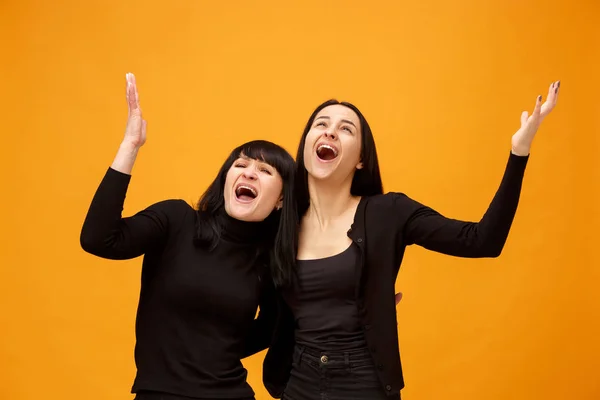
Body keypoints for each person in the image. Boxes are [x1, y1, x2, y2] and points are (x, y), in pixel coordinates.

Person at [261, 81, 561, 399]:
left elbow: (482, 241)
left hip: (365, 386)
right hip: (298, 386)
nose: (330, 132)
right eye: (320, 124)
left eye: (346, 129)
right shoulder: (280, 225)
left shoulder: (389, 213)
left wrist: (519, 152)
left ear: (361, 159)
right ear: (306, 143)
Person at [79, 73, 297, 400]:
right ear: (226, 178)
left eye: (266, 171)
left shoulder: (269, 260)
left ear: (281, 200)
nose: (250, 172)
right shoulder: (177, 220)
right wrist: (130, 146)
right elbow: (99, 239)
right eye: (241, 165)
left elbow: (274, 326)